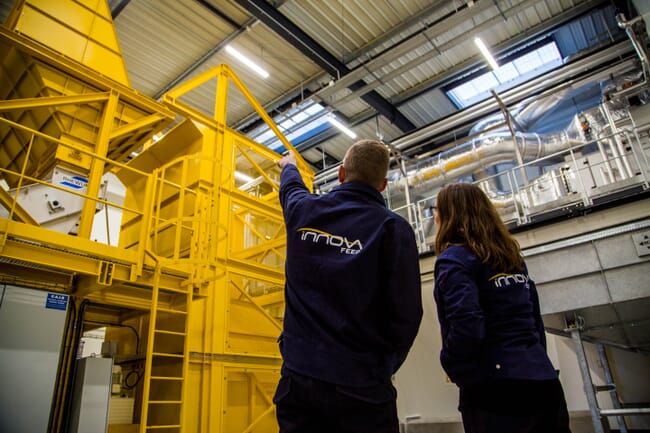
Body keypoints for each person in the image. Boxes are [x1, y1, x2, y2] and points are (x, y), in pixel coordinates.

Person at [273, 139, 423, 433]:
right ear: (383, 185)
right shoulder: (393, 229)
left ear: (341, 174)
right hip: (362, 385)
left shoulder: (305, 210)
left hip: (300, 380)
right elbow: (406, 315)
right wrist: (383, 366)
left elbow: (292, 188)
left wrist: (289, 165)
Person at [432, 182, 571, 433]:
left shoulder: (453, 260)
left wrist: (451, 363)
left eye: (437, 210)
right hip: (543, 379)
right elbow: (534, 320)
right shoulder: (512, 258)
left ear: (448, 215)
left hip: (495, 390)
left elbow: (467, 322)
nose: (435, 216)